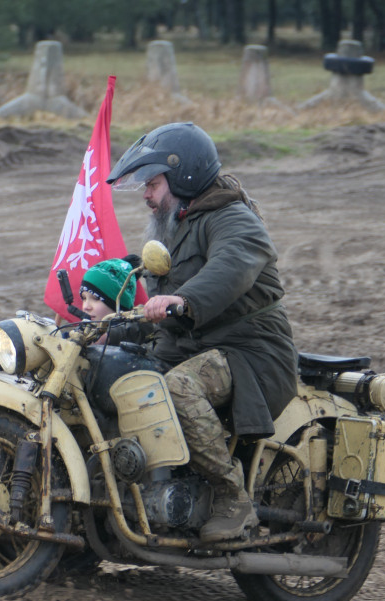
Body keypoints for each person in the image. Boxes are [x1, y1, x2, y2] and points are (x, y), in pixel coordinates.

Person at [106, 121, 298, 542]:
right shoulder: (175, 227)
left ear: (182, 177)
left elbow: (230, 267)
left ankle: (232, 497)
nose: (146, 195)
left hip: (249, 352)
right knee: (117, 374)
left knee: (176, 388)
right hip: (192, 346)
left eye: (152, 184)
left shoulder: (233, 219)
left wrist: (183, 299)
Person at [0, 258, 137, 369]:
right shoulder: (82, 334)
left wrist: (0, 358)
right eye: (84, 298)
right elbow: (42, 341)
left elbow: (52, 350)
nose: (86, 307)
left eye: (95, 299)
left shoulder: (129, 344)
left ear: (117, 304)